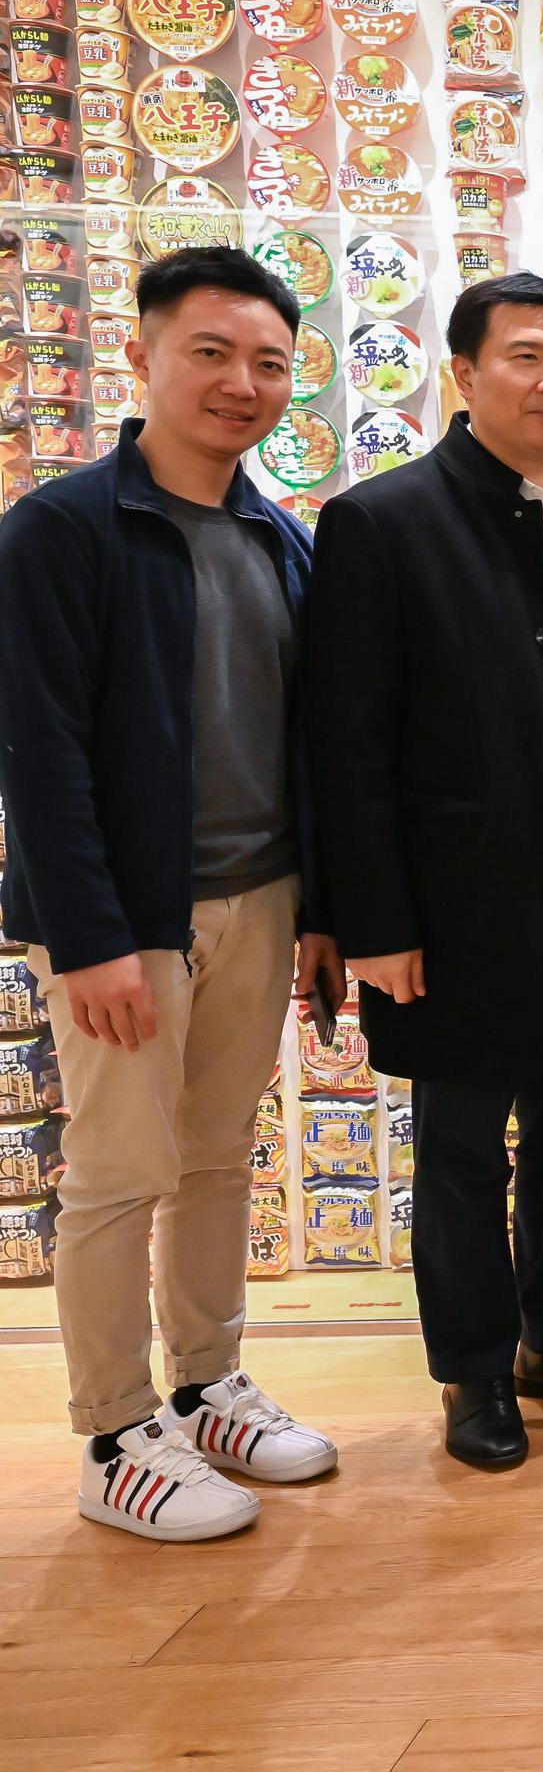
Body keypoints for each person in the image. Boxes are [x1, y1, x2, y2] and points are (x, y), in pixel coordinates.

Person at [307, 273, 543, 1470]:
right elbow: (345, 741)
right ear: (462, 374)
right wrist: (372, 919)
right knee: (465, 1153)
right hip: (459, 911)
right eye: (527, 357)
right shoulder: (383, 521)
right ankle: (473, 1371)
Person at [0, 247, 341, 1539]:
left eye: (266, 362)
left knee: (212, 1162)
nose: (241, 383)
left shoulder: (278, 538)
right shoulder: (61, 532)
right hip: (124, 922)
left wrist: (318, 912)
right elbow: (36, 752)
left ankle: (205, 1385)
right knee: (116, 1172)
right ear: (140, 354)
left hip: (258, 897)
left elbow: (301, 743)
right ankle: (110, 1431)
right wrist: (87, 939)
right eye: (210, 352)